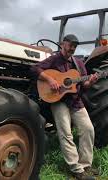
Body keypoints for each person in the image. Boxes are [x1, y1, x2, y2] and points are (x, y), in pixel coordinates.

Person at [31, 34, 99, 180]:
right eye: (70, 45)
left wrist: (91, 81)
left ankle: (85, 165)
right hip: (59, 102)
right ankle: (76, 169)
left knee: (88, 129)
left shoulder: (79, 63)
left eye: (74, 47)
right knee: (65, 133)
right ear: (63, 44)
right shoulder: (54, 59)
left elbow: (84, 84)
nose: (72, 49)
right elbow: (35, 68)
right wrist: (50, 80)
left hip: (76, 101)